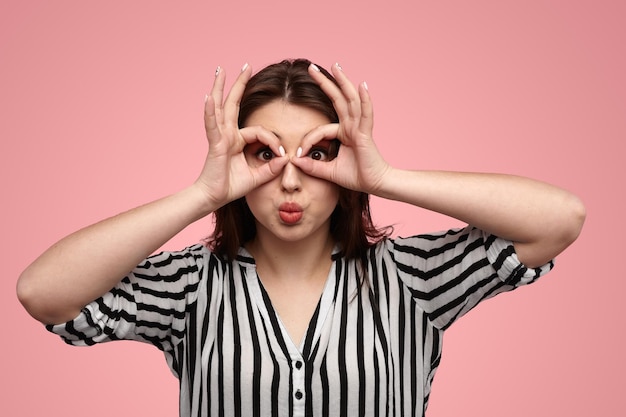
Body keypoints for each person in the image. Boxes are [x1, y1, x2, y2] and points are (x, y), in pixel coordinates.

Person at [17, 58, 585, 417]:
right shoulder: (190, 285)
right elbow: (44, 292)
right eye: (265, 154)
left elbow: (558, 218)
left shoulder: (411, 278)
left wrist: (385, 179)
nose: (289, 180)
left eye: (318, 154)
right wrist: (203, 194)